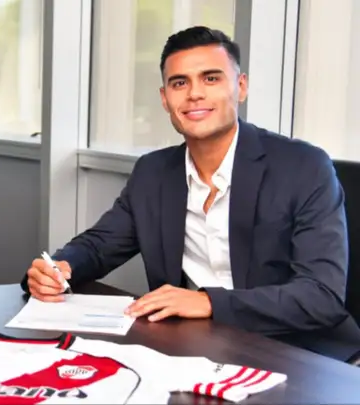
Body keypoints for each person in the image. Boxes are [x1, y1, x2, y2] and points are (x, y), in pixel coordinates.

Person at [22, 26, 360, 362]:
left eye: (211, 78)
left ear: (241, 87)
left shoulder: (303, 167)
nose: (194, 94)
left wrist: (208, 302)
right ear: (165, 98)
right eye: (179, 83)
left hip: (301, 355)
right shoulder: (153, 173)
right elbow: (98, 246)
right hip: (198, 350)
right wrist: (60, 268)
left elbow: (321, 297)